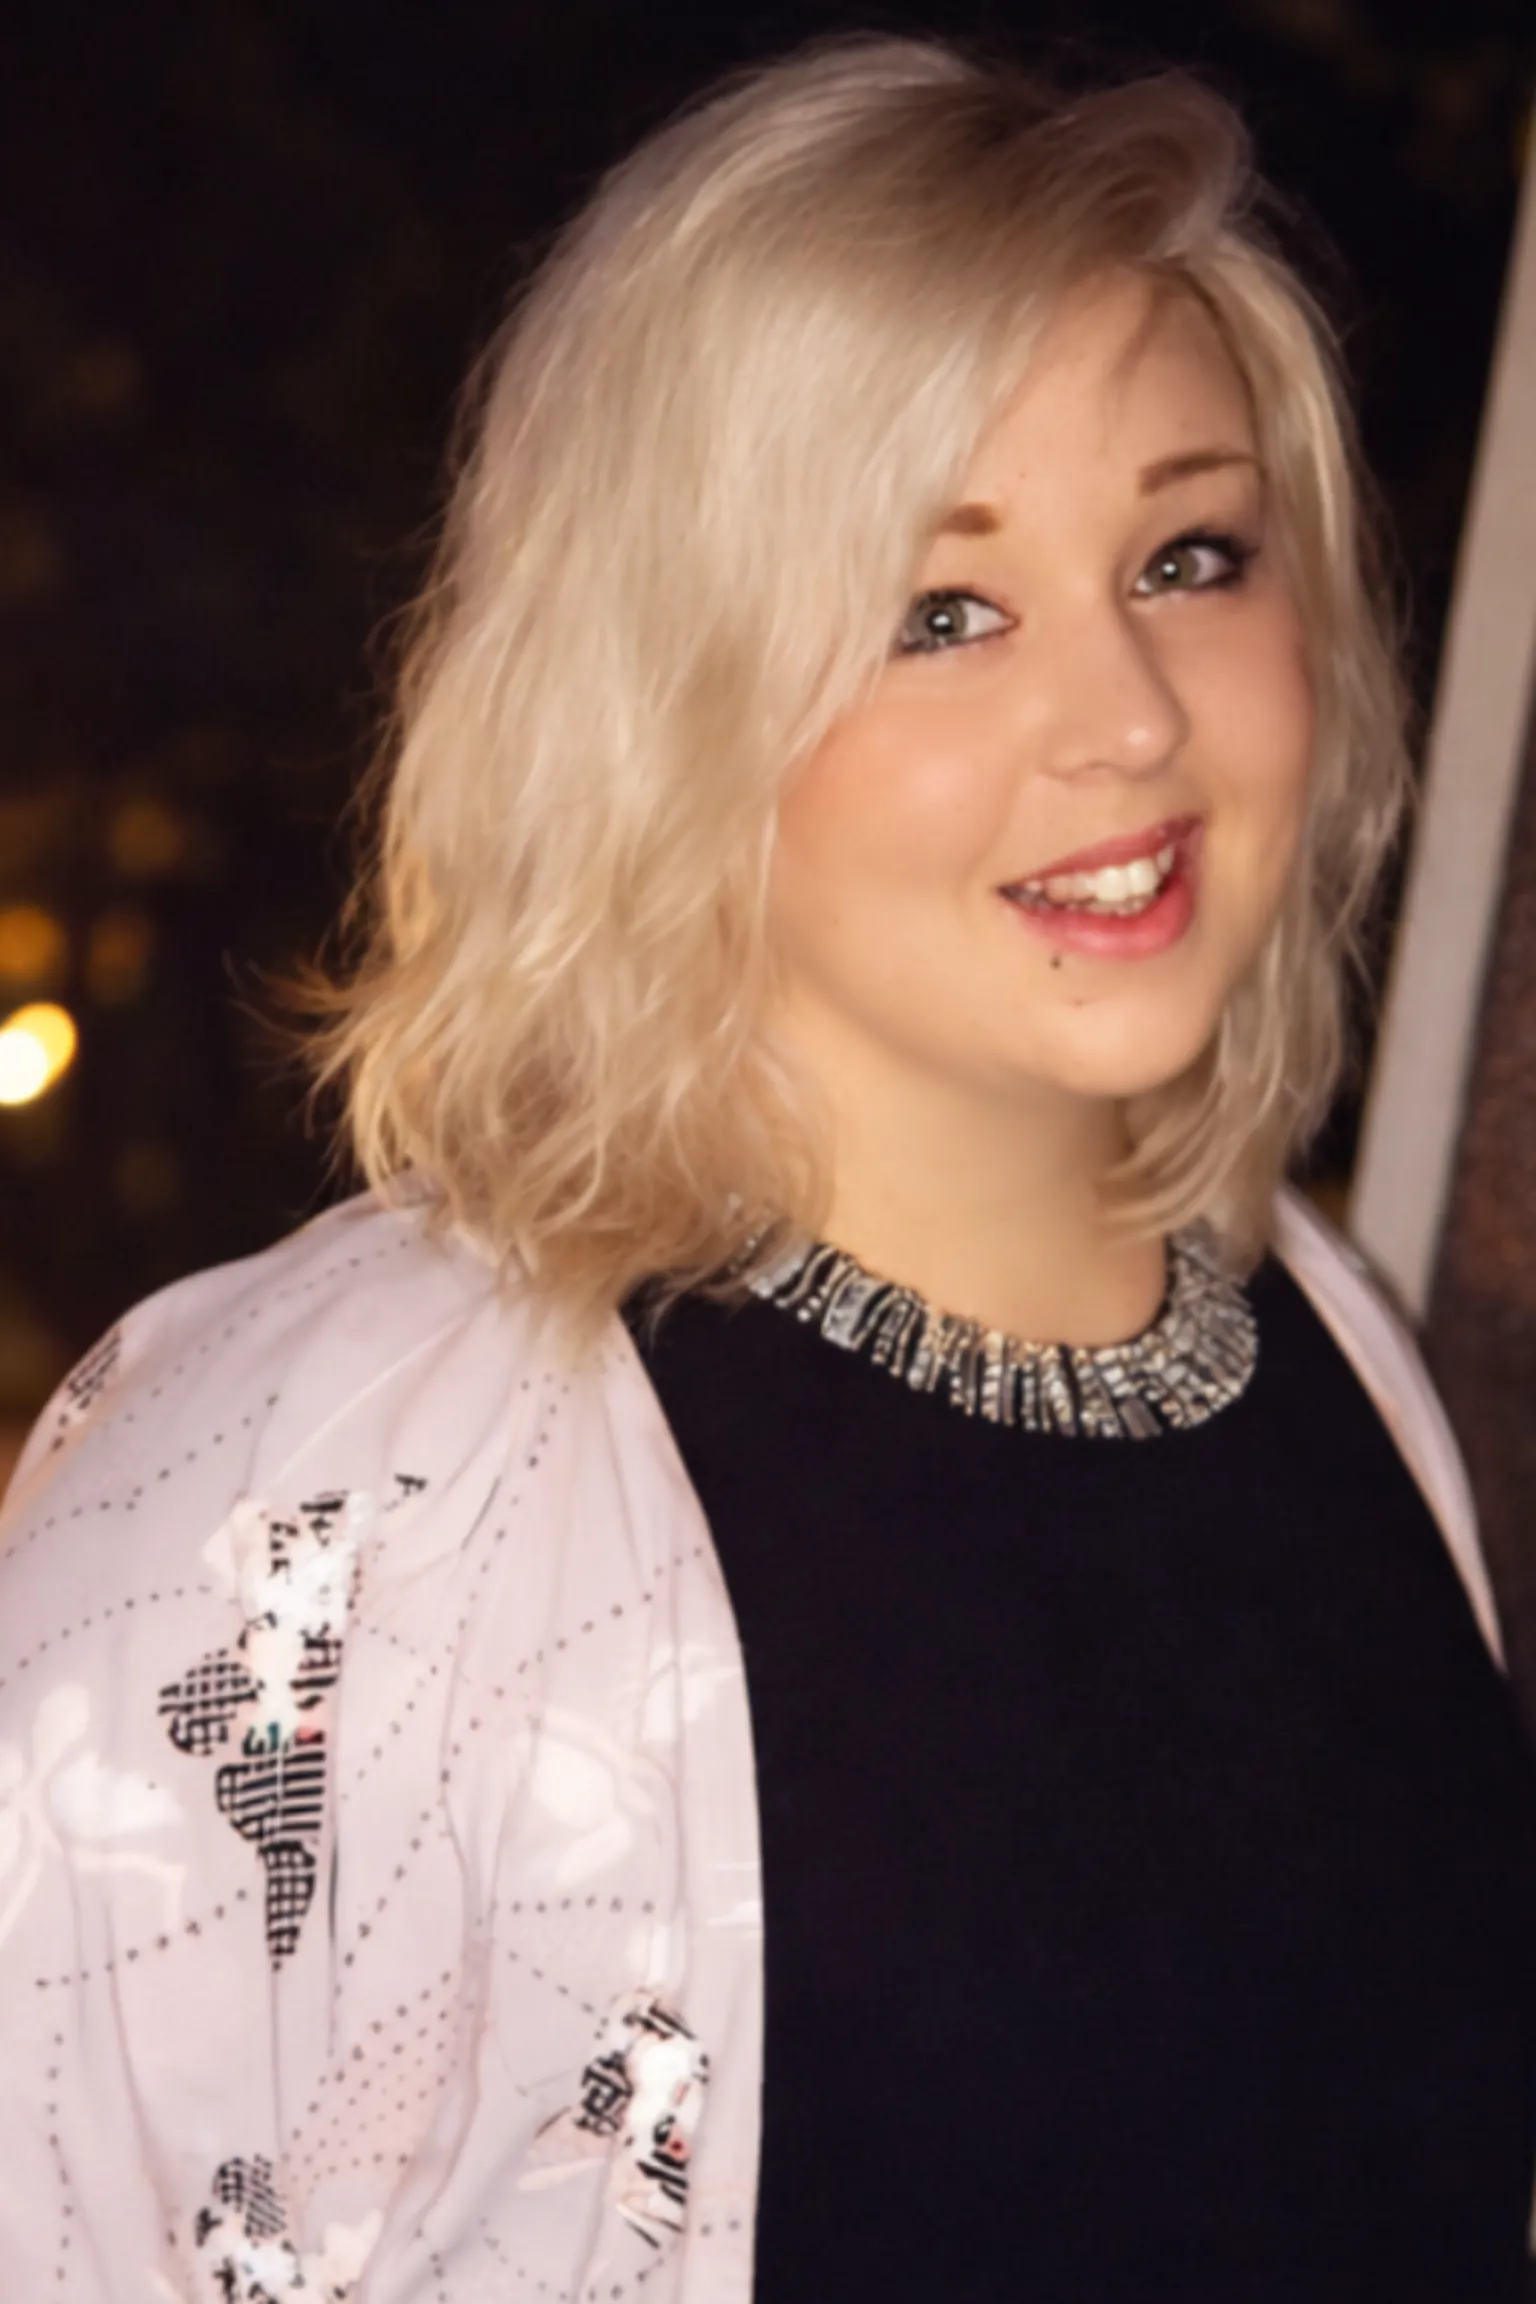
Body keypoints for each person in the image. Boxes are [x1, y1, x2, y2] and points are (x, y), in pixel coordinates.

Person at [3, 34, 1534, 2304]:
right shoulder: (345, 1494)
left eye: (1190, 555)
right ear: (668, 692)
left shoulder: (1340, 1351)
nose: (1127, 716)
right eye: (946, 609)